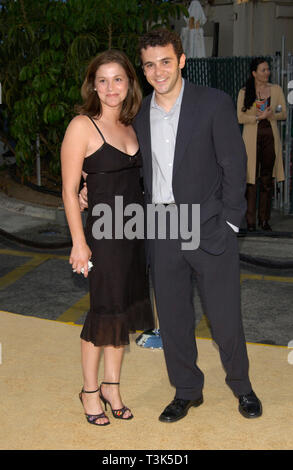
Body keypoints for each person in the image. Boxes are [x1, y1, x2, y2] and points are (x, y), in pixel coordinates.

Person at [80, 29, 262, 423]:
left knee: (225, 316)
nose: (158, 71)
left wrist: (230, 222)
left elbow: (234, 164)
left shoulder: (213, 103)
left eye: (165, 61)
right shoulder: (138, 113)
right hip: (161, 227)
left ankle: (242, 386)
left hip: (208, 224)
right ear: (142, 70)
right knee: (174, 318)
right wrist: (86, 190)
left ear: (181, 60)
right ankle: (185, 390)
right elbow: (121, 164)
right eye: (149, 64)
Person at [61, 50, 154, 426]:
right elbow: (69, 191)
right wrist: (79, 242)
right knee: (103, 314)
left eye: (118, 79)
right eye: (102, 80)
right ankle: (89, 392)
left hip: (134, 233)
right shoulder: (82, 126)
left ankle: (112, 386)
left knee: (123, 313)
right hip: (103, 237)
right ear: (92, 85)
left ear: (129, 83)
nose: (110, 87)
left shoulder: (135, 124)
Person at [237, 58, 287, 231]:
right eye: (263, 70)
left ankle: (264, 220)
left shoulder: (276, 90)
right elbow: (240, 117)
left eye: (268, 69)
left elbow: (283, 112)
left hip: (270, 138)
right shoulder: (245, 92)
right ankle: (250, 221)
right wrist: (258, 117)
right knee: (251, 180)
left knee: (267, 180)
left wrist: (272, 115)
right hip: (251, 138)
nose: (267, 72)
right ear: (254, 73)